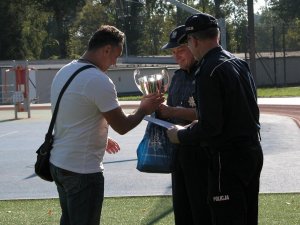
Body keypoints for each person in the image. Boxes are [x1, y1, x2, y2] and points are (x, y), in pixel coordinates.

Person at [49, 25, 164, 225]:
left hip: (59, 163)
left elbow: (72, 116)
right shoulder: (97, 79)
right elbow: (122, 126)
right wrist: (143, 108)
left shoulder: (65, 71)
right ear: (107, 50)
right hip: (82, 170)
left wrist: (100, 135)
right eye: (116, 56)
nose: (115, 63)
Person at [167, 13, 264, 225]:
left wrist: (181, 135)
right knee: (248, 216)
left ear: (193, 40)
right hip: (253, 151)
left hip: (227, 158)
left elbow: (211, 127)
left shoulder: (208, 70)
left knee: (226, 217)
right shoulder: (238, 63)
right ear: (217, 36)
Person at [158, 25, 212, 225]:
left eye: (179, 50)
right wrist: (157, 108)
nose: (176, 57)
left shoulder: (208, 72)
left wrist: (172, 111)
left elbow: (212, 116)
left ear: (193, 44)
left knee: (202, 213)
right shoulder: (179, 75)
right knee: (182, 212)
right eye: (173, 52)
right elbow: (170, 110)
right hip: (179, 153)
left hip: (204, 155)